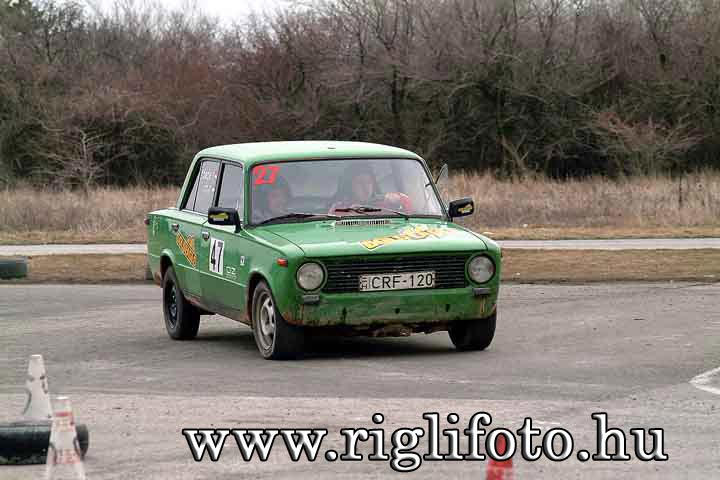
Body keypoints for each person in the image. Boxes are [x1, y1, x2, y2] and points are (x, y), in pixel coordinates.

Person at [329, 163, 412, 214]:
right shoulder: (340, 207)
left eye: (369, 182)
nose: (365, 187)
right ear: (350, 187)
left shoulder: (384, 203)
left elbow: (409, 211)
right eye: (360, 183)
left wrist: (397, 198)